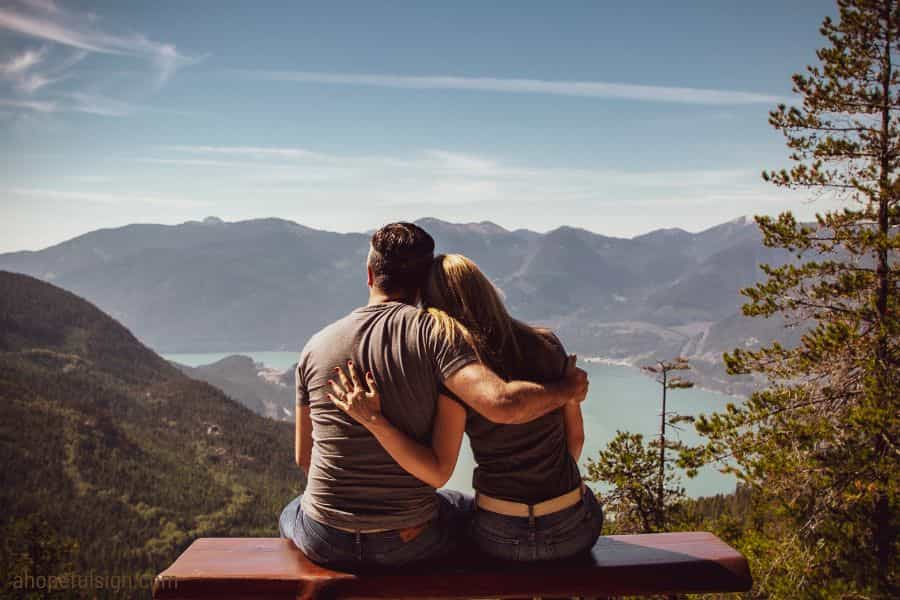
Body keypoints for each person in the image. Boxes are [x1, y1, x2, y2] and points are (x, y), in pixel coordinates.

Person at [279, 224, 589, 570]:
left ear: (369, 275)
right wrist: (567, 390)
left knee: (292, 510)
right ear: (423, 282)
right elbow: (497, 408)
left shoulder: (314, 346)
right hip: (409, 540)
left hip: (325, 538)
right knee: (457, 506)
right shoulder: (438, 336)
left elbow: (305, 459)